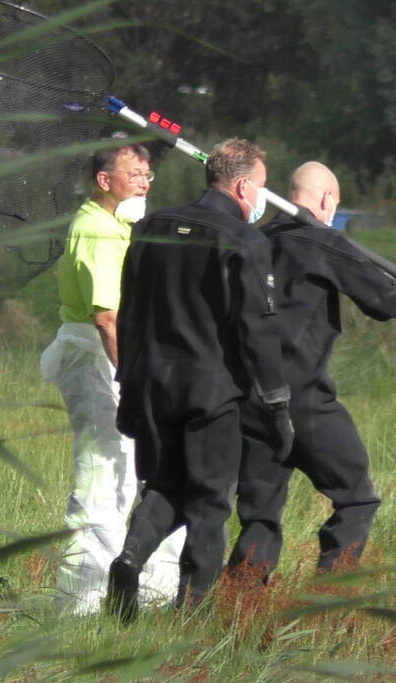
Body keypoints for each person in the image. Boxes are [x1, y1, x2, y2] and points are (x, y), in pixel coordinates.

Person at [105, 139, 294, 621]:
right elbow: (257, 329)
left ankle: (129, 559)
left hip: (152, 382)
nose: (262, 199)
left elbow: (129, 311)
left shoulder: (151, 227)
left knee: (164, 482)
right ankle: (192, 612)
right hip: (211, 391)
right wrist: (276, 404)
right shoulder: (244, 240)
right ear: (243, 186)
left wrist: (127, 382)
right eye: (262, 188)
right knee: (210, 502)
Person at [228, 161, 396, 579]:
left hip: (251, 396)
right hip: (304, 399)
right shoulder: (326, 242)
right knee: (357, 498)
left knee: (260, 511)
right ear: (327, 199)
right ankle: (329, 593)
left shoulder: (252, 241)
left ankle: (241, 601)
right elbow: (386, 303)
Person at [39, 143, 184, 615]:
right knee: (103, 475)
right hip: (99, 360)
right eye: (134, 174)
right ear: (105, 181)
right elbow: (107, 319)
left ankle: (155, 591)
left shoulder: (119, 225)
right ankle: (82, 599)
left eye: (148, 175)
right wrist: (132, 379)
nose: (144, 184)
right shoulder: (97, 230)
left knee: (137, 474)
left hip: (119, 357)